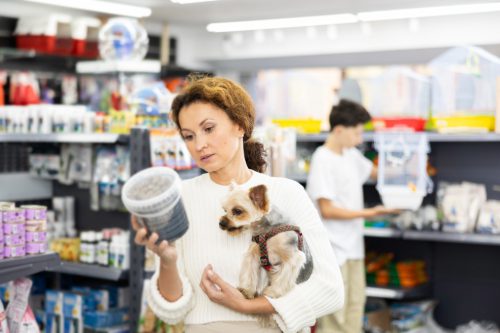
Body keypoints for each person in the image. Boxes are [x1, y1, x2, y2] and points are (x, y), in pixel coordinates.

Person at [132, 76, 344, 333]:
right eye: (188, 136)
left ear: (240, 125)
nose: (199, 145)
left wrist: (249, 306)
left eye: (209, 129)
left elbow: (330, 288)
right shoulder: (181, 199)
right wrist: (166, 260)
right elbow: (172, 308)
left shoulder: (286, 193)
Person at [306, 99, 397, 333]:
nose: (359, 139)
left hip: (354, 248)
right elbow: (327, 210)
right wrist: (370, 213)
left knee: (356, 307)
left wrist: (407, 168)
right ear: (339, 130)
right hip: (333, 251)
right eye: (356, 133)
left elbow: (377, 173)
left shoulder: (350, 155)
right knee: (335, 316)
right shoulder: (322, 159)